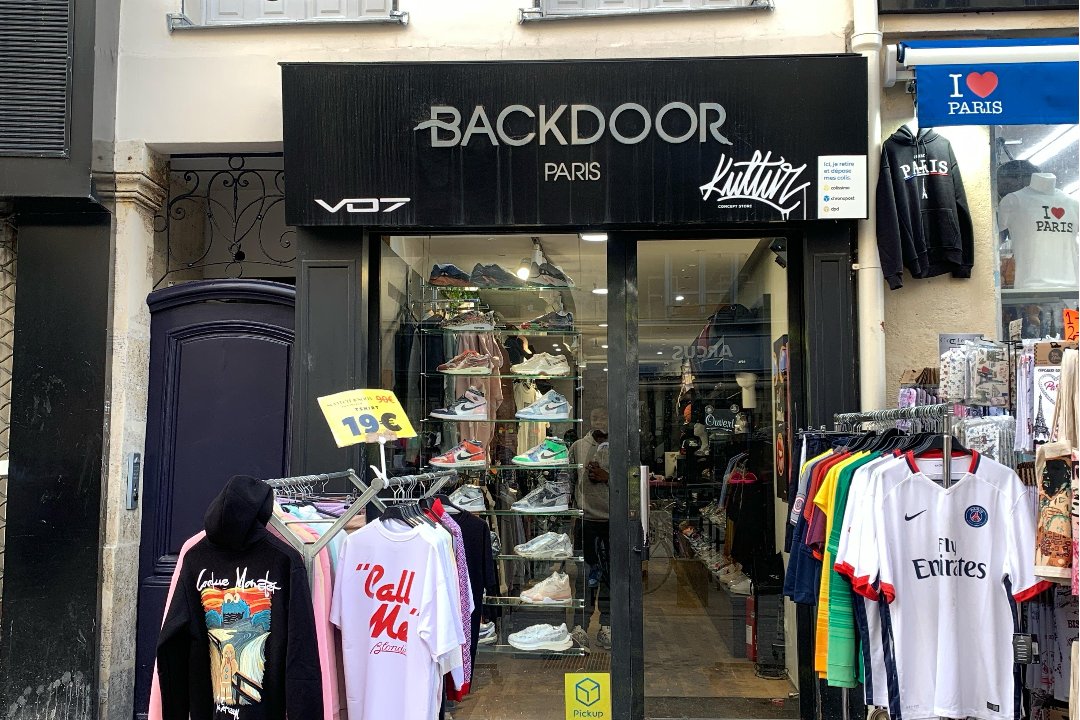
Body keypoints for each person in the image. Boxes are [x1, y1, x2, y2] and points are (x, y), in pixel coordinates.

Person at [569, 408, 611, 651]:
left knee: (609, 576)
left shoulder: (620, 446)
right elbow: (568, 482)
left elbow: (632, 482)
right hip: (585, 521)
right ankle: (580, 626)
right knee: (585, 577)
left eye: (603, 418)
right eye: (595, 419)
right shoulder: (577, 447)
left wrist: (608, 477)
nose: (599, 423)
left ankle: (607, 626)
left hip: (612, 521)